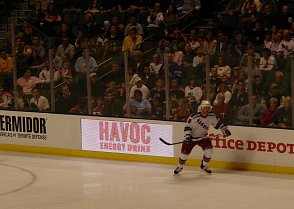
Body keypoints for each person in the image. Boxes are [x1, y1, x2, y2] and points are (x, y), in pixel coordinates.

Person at [174, 100, 231, 174]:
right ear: (201, 108)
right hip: (191, 138)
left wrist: (224, 128)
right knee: (184, 154)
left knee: (209, 151)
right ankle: (180, 167)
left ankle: (204, 165)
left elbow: (217, 124)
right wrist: (188, 136)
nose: (207, 109)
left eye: (208, 108)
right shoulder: (194, 116)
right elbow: (187, 127)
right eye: (205, 108)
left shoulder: (211, 116)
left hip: (203, 137)